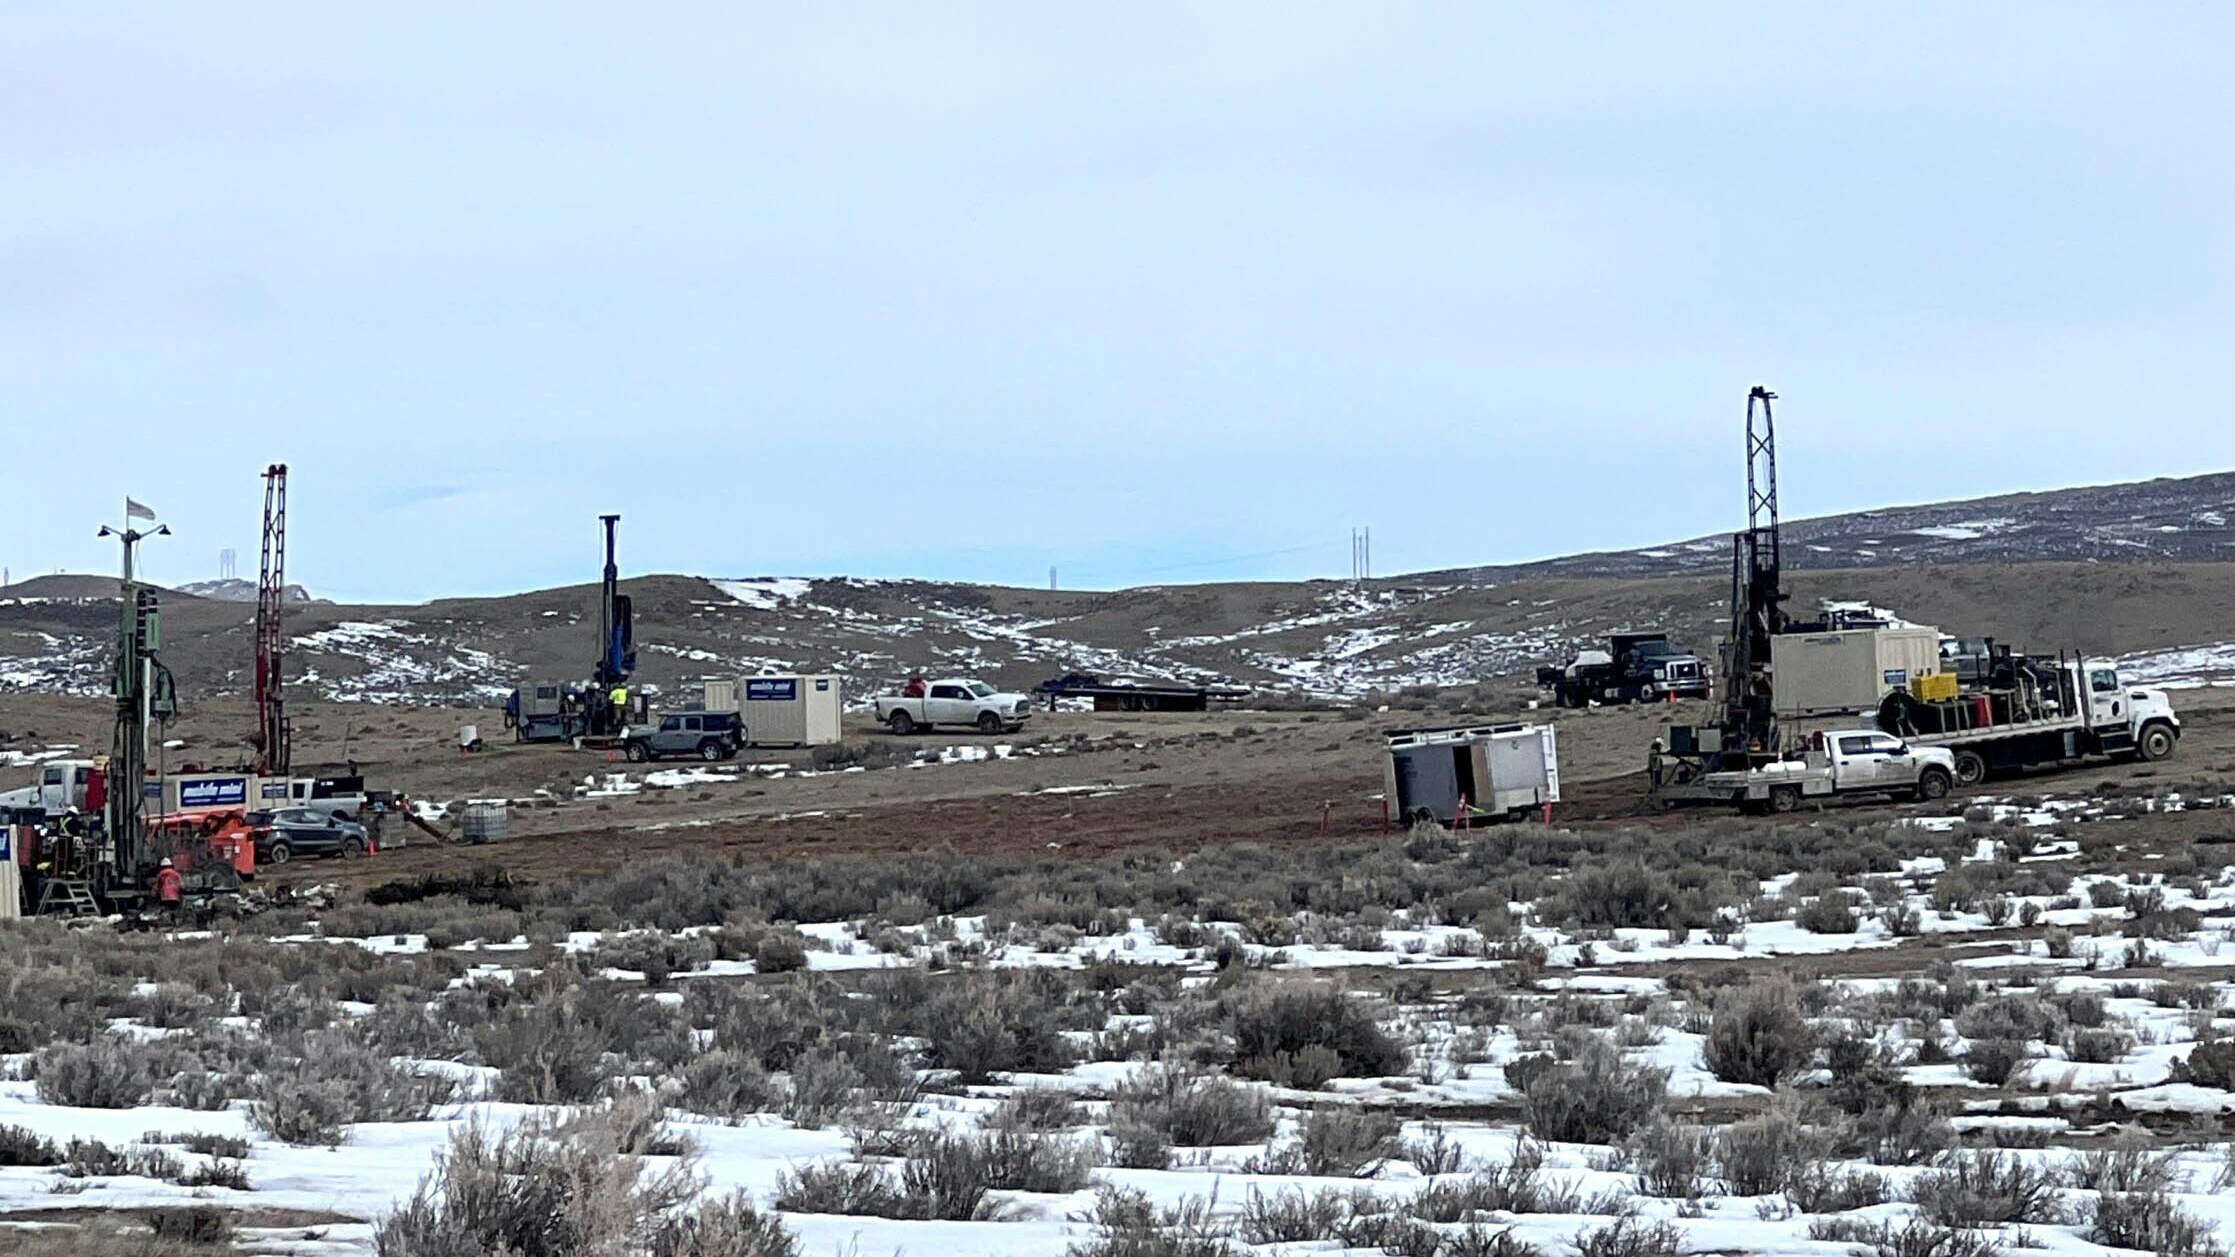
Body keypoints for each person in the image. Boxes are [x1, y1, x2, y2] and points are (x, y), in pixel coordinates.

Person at [153, 857, 183, 923]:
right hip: (175, 896)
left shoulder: (161, 874)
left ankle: (165, 922)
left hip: (165, 896)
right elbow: (182, 885)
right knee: (173, 910)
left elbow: (157, 886)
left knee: (165, 909)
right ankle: (174, 922)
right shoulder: (176, 874)